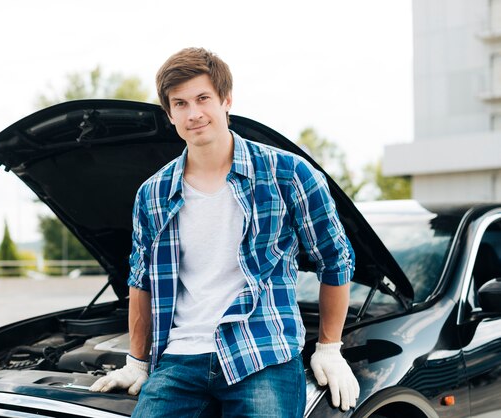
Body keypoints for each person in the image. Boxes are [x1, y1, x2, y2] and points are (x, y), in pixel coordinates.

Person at [90, 47, 360, 417]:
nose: (194, 113)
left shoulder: (289, 174)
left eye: (203, 98)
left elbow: (334, 257)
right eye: (180, 104)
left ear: (226, 100)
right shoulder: (152, 193)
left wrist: (329, 347)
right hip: (179, 360)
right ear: (169, 115)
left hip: (261, 353)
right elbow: (142, 281)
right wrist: (137, 362)